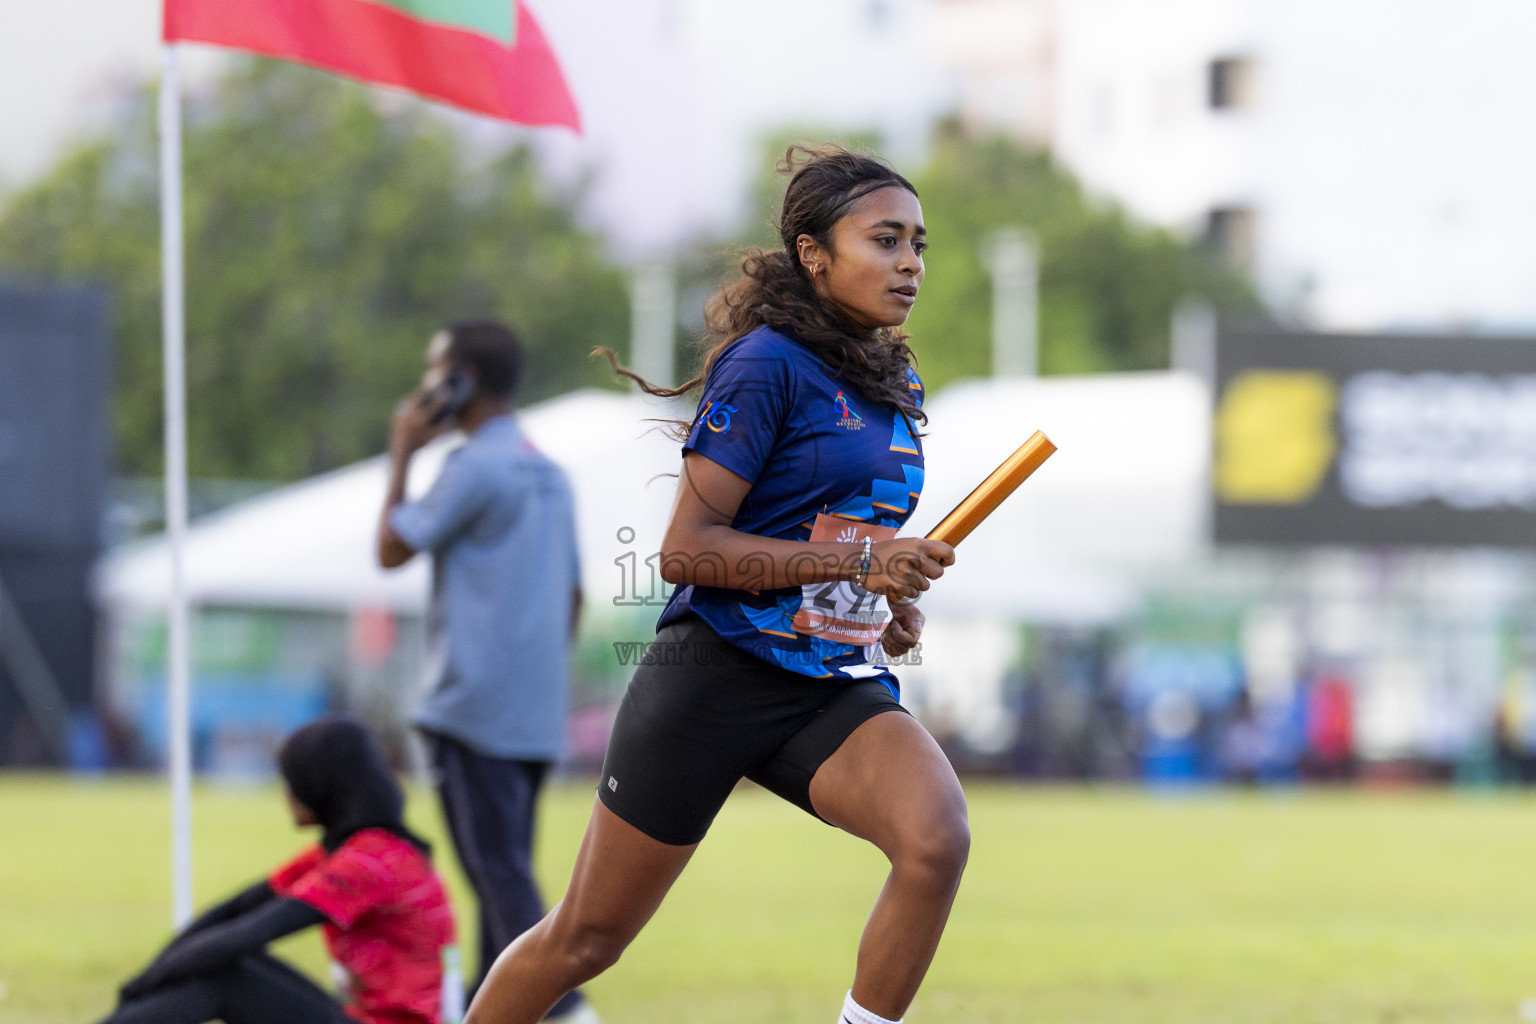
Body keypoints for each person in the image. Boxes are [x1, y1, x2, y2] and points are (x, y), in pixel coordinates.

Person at [464, 145, 966, 1024]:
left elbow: (837, 532)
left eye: (919, 245)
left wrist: (883, 600)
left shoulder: (893, 375)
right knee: (585, 939)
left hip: (822, 683)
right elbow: (687, 551)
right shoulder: (765, 363)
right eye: (886, 241)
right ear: (814, 252)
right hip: (713, 677)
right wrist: (859, 564)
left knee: (935, 840)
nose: (911, 265)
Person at [377, 320, 590, 1021]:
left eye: (434, 371)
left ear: (459, 379)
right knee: (503, 870)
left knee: (498, 874)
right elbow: (574, 596)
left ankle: (567, 1007)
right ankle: (483, 1007)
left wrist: (403, 453)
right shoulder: (548, 470)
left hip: (469, 706)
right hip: (533, 709)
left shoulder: (470, 467)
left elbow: (390, 549)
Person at [94, 716, 456, 1024]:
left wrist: (142, 985)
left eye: (294, 783)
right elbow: (231, 913)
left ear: (323, 787)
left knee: (227, 974)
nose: (286, 794)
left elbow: (248, 933)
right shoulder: (347, 851)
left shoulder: (373, 861)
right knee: (224, 960)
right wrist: (146, 980)